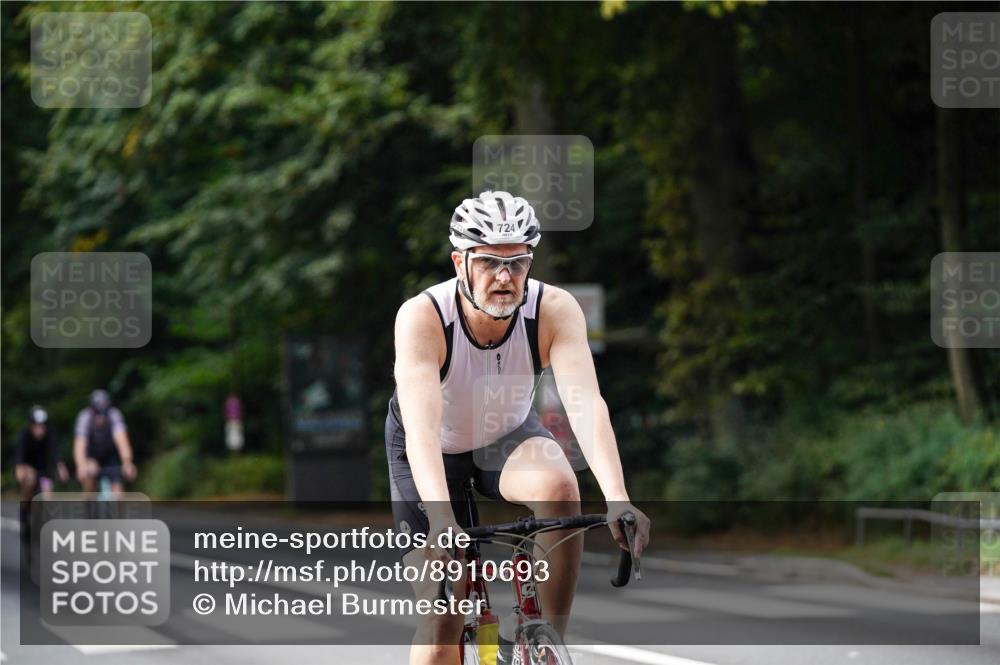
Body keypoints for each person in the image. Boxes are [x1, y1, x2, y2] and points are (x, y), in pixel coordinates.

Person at [388, 190, 651, 664]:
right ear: (459, 262)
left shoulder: (554, 309)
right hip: (430, 452)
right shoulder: (423, 317)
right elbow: (423, 431)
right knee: (443, 617)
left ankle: (547, 642)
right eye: (489, 262)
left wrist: (617, 497)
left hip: (505, 437)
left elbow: (586, 403)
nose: (505, 277)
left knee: (560, 488)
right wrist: (443, 521)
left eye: (518, 262)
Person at [16, 406, 69, 537]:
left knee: (48, 496)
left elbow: (56, 454)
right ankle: (24, 513)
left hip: (45, 472)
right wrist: (21, 472)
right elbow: (19, 460)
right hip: (29, 470)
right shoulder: (24, 435)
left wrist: (61, 468)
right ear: (31, 425)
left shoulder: (50, 435)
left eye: (42, 426)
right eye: (37, 426)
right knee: (29, 481)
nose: (40, 429)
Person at [73, 389, 137, 497]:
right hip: (92, 455)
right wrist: (81, 465)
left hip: (110, 456)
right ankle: (88, 502)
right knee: (89, 475)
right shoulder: (85, 417)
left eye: (103, 414)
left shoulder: (114, 415)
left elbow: (122, 441)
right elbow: (80, 444)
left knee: (118, 492)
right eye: (98, 414)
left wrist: (127, 462)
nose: (101, 418)